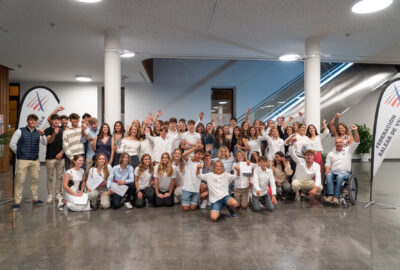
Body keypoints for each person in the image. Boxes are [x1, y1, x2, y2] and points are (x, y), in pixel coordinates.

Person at [9, 114, 47, 210]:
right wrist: (20, 153)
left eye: (35, 120)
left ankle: (35, 199)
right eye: (31, 120)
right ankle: (17, 202)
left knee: (35, 180)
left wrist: (43, 134)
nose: (33, 122)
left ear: (37, 121)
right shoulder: (19, 131)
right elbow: (12, 144)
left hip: (35, 160)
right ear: (27, 121)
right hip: (22, 160)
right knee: (20, 181)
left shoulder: (39, 132)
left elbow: (45, 143)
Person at [325, 125, 360, 204]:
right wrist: (327, 169)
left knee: (340, 176)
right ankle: (330, 195)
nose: (338, 144)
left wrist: (355, 131)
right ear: (335, 144)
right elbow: (327, 163)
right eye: (336, 142)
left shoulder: (348, 150)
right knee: (328, 175)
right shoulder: (331, 153)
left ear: (343, 143)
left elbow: (356, 141)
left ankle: (337, 196)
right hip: (334, 171)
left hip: (345, 172)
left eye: (340, 142)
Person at [43, 114, 65, 204]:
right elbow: (49, 141)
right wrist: (54, 134)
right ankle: (50, 194)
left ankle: (58, 193)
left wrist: (61, 152)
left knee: (59, 177)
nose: (56, 121)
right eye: (54, 119)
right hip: (50, 157)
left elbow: (66, 143)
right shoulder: (47, 130)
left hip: (61, 158)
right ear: (51, 121)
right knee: (50, 177)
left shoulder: (63, 130)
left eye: (58, 119)